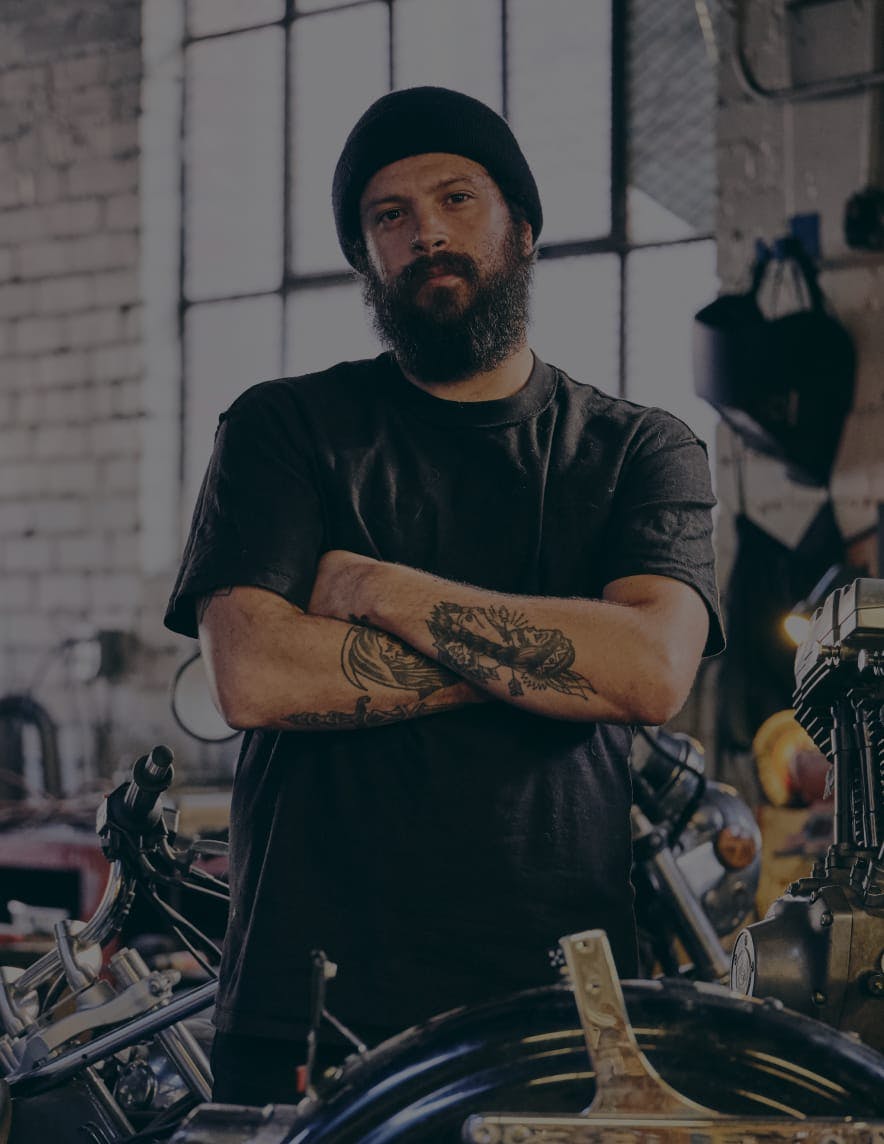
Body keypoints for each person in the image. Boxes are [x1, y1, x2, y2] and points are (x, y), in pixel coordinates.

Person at [164, 85, 724, 1105]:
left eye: (456, 198)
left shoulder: (640, 451)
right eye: (390, 215)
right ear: (367, 258)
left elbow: (648, 672)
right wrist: (551, 668)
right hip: (308, 1002)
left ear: (523, 228)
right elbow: (253, 676)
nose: (426, 232)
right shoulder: (284, 429)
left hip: (559, 1002)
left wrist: (377, 587)